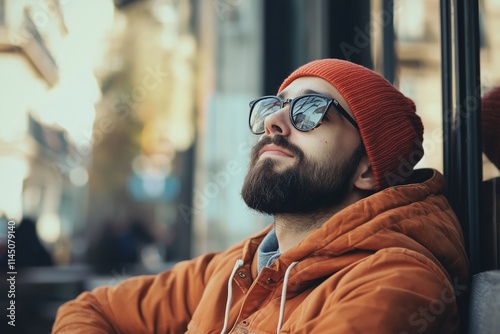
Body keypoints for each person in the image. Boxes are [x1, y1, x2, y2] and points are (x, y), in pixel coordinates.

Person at [53, 59, 469, 333]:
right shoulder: (236, 267)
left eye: (310, 110)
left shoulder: (395, 281)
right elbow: (88, 310)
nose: (274, 120)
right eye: (275, 105)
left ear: (367, 168)